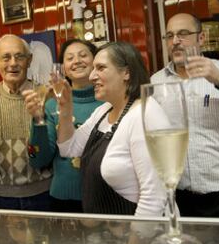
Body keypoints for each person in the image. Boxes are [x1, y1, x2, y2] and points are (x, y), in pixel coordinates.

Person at [151, 13, 219, 217]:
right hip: (176, 198)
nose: (175, 41)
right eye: (170, 36)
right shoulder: (155, 81)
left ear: (201, 38)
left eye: (183, 34)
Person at [55, 41, 167, 216]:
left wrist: (136, 242)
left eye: (100, 68)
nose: (92, 76)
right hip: (108, 235)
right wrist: (66, 109)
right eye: (93, 69)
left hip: (138, 233)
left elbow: (154, 198)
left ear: (126, 72)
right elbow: (68, 148)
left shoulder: (145, 113)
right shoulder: (103, 110)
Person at [23, 39, 103, 213]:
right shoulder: (52, 106)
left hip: (104, 195)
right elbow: (38, 159)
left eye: (83, 55)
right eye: (70, 58)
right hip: (63, 199)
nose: (77, 61)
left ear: (96, 61)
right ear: (64, 68)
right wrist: (38, 120)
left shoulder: (109, 101)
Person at [0, 34, 52, 211]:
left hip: (44, 193)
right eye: (6, 57)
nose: (13, 63)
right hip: (1, 198)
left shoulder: (47, 95)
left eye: (20, 56)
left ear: (29, 60)